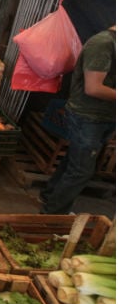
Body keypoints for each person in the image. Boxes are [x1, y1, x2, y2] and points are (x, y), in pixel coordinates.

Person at [40, 26, 116, 215]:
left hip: (103, 116)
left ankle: (50, 196)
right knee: (81, 171)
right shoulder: (103, 44)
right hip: (87, 117)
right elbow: (93, 88)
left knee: (75, 162)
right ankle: (52, 215)